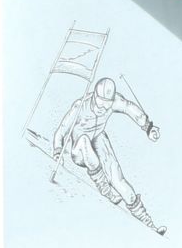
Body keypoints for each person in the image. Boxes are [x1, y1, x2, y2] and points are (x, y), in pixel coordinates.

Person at [49, 77, 163, 233]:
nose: (102, 110)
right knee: (83, 141)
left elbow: (130, 108)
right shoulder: (80, 106)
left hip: (97, 138)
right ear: (95, 97)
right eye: (100, 105)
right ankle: (104, 187)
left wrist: (149, 127)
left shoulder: (113, 101)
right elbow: (61, 131)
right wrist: (57, 150)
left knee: (118, 178)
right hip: (80, 152)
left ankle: (148, 221)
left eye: (106, 106)